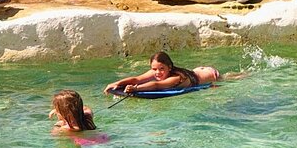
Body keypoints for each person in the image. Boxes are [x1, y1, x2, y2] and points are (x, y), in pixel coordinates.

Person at [103, 51, 244, 95]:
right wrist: (116, 83)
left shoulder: (176, 77)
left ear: (169, 67)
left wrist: (135, 89)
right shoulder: (158, 71)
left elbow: (157, 86)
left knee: (232, 78)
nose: (157, 72)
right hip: (196, 71)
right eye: (154, 69)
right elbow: (136, 78)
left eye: (161, 69)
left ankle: (247, 74)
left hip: (211, 75)